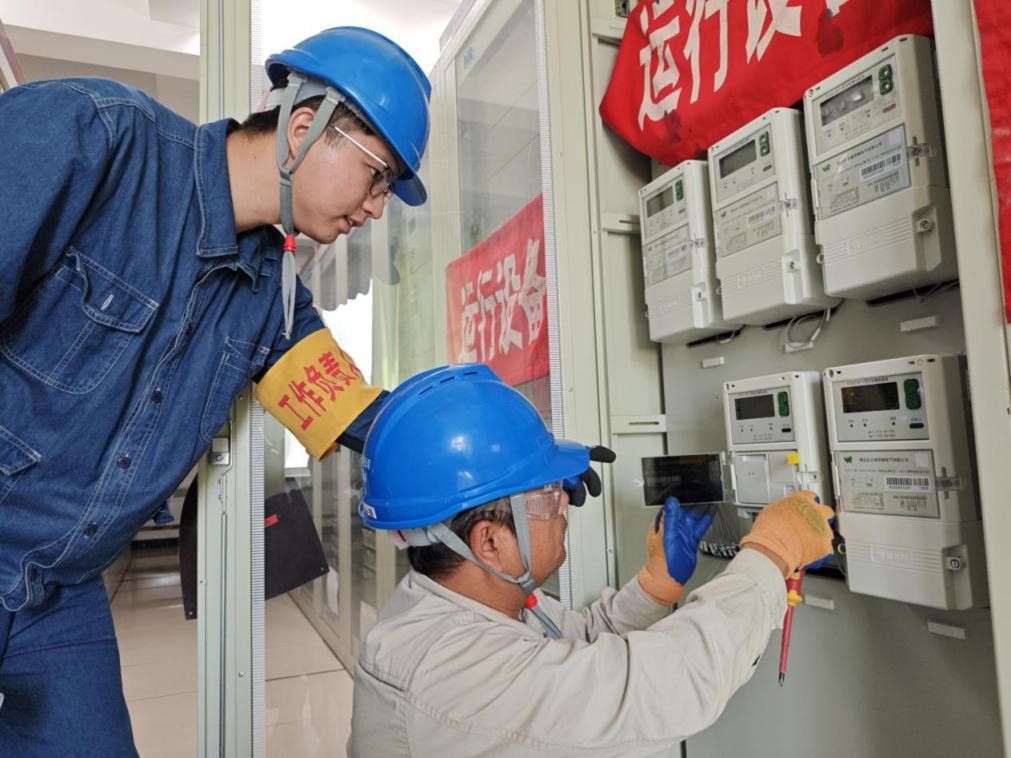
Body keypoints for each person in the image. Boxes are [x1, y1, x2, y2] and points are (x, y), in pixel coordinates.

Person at [0, 26, 438, 756]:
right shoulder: (97, 137)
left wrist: (516, 454)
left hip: (59, 588)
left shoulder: (271, 302)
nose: (375, 209)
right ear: (307, 128)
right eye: (378, 176)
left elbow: (356, 412)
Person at [349, 364, 836, 757]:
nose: (566, 505)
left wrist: (654, 586)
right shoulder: (456, 673)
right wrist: (772, 552)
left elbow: (570, 645)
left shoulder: (458, 606)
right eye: (546, 497)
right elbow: (667, 685)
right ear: (490, 543)